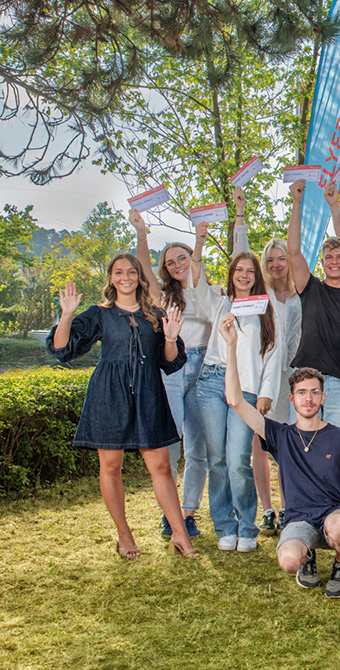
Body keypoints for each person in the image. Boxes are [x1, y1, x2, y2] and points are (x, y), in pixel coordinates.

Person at [47, 255, 198, 559]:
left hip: (148, 394)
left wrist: (170, 338)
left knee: (161, 467)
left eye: (131, 271)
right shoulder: (99, 314)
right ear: (111, 278)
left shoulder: (155, 315)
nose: (125, 277)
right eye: (119, 272)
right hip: (108, 395)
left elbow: (170, 362)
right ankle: (124, 535)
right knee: (111, 466)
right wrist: (66, 316)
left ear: (140, 278)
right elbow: (63, 349)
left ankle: (180, 535)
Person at [219, 316, 340, 598]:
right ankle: (307, 558)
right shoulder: (279, 435)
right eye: (302, 393)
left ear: (322, 398)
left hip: (337, 515)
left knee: (338, 527)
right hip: (300, 520)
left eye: (314, 393)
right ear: (292, 399)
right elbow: (235, 400)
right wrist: (231, 346)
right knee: (288, 561)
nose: (308, 398)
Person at [187, 224, 284, 552]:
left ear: (256, 275)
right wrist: (198, 244)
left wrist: (267, 391)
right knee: (217, 459)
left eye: (249, 270)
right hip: (213, 382)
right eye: (238, 270)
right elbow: (196, 285)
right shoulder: (218, 301)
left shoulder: (265, 307)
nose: (243, 275)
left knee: (238, 458)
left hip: (246, 390)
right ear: (231, 275)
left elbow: (274, 352)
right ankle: (225, 526)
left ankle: (247, 526)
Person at [230, 187, 304, 535]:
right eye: (270, 259)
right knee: (260, 444)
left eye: (281, 258)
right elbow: (237, 258)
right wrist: (241, 216)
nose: (276, 264)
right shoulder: (259, 297)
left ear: (290, 261)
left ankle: (292, 506)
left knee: (289, 445)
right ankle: (268, 509)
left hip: (295, 377)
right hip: (263, 379)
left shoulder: (302, 295)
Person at [130, 209, 206, 540]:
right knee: (171, 447)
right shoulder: (162, 296)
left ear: (193, 258)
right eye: (170, 263)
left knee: (199, 450)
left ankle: (188, 513)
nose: (177, 266)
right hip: (172, 373)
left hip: (205, 372)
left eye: (182, 258)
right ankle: (169, 514)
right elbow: (143, 269)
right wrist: (142, 232)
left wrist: (200, 241)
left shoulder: (208, 290)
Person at [286, 179, 340, 434]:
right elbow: (293, 251)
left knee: (336, 454)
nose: (335, 262)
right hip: (304, 379)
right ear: (322, 262)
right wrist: (297, 202)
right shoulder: (310, 288)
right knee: (301, 449)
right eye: (329, 257)